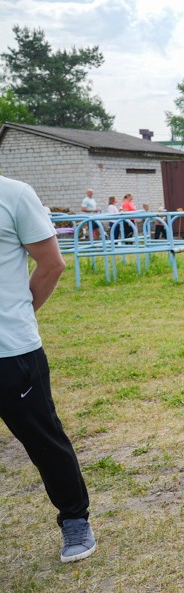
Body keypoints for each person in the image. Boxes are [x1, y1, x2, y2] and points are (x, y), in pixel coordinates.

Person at [0, 176, 96, 562]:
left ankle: (75, 520)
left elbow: (52, 263)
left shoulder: (14, 194)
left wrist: (19, 314)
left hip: (11, 352)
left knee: (43, 440)